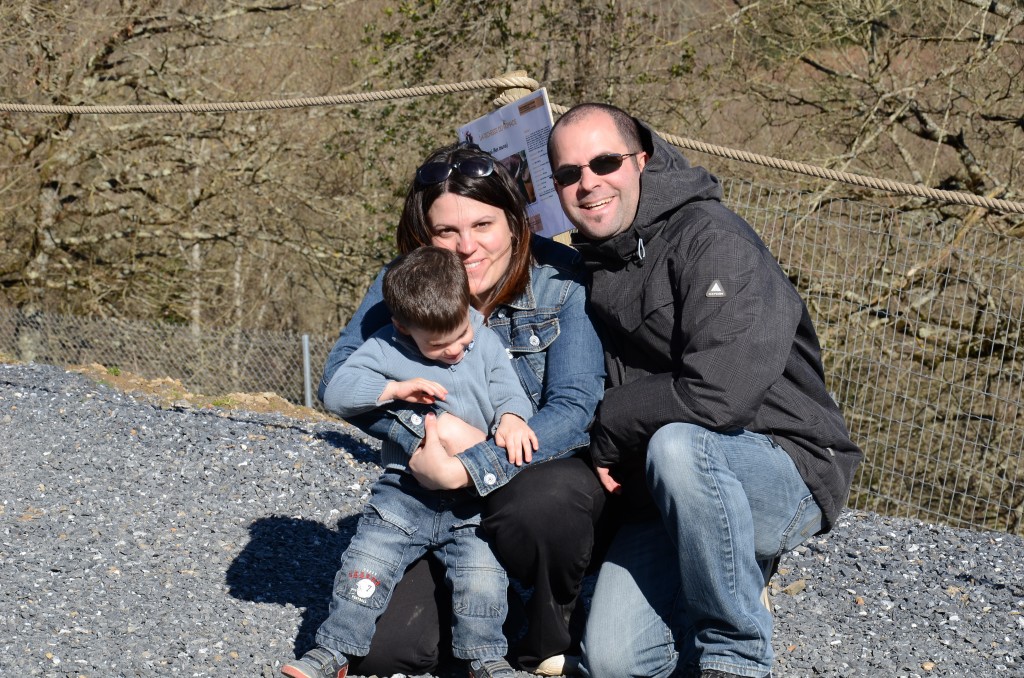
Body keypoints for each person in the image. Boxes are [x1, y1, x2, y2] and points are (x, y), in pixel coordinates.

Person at [546, 103, 864, 678]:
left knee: (677, 444)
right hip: (668, 488)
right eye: (568, 174)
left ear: (641, 160)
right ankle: (720, 571)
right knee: (615, 663)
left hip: (783, 463)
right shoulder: (590, 262)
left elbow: (721, 392)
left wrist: (612, 425)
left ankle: (735, 655)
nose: (587, 182)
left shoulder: (712, 238)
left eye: (604, 162)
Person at [312, 142, 607, 677]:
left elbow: (574, 406)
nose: (466, 246)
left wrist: (476, 460)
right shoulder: (400, 285)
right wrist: (426, 432)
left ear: (516, 223)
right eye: (446, 231)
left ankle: (547, 627)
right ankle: (481, 614)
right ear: (423, 236)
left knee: (547, 502)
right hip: (430, 493)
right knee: (387, 653)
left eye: (483, 225)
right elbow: (339, 381)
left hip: (533, 475)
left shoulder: (561, 280)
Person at [283, 246, 538, 678]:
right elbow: (336, 391)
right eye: (439, 346)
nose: (457, 350)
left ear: (467, 307)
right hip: (404, 491)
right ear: (403, 328)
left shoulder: (484, 338)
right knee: (367, 565)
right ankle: (333, 652)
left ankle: (486, 660)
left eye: (462, 336)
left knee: (482, 578)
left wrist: (512, 417)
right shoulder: (385, 346)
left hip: (471, 497)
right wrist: (395, 390)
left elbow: (509, 390)